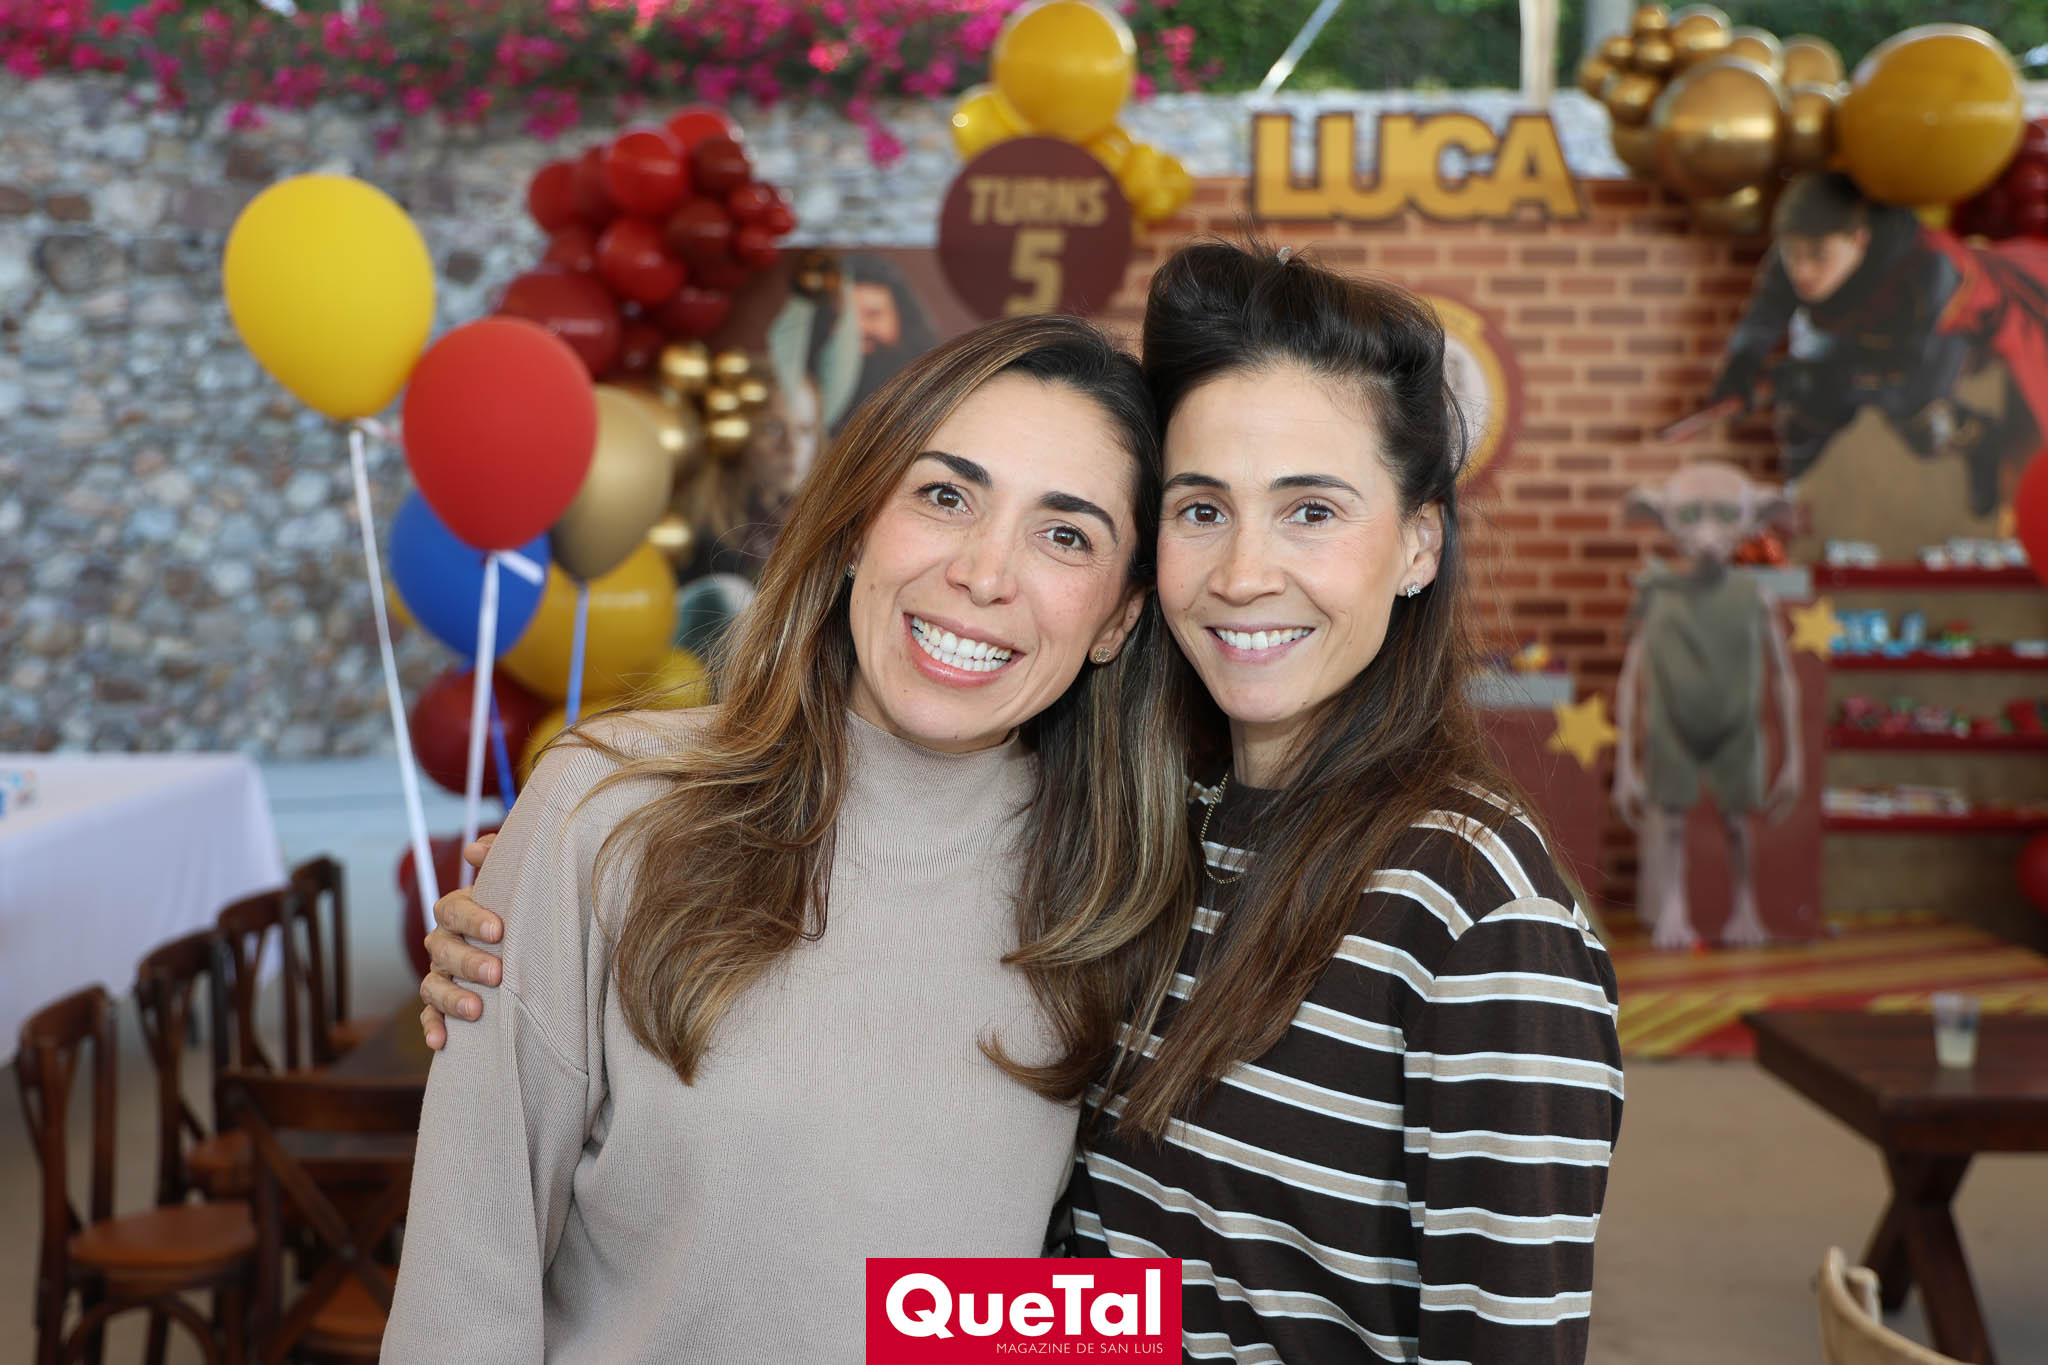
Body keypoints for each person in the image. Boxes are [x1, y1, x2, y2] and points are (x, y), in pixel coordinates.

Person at [419, 241, 1623, 1363]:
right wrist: (543, 930)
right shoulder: (1158, 852)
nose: (1245, 570)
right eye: (1202, 511)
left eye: (1310, 510)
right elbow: (1087, 1295)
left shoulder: (1465, 912)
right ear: (854, 522)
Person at [382, 312, 1195, 1363]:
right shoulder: (608, 811)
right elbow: (462, 1298)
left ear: (1118, 620)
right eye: (945, 496)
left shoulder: (1129, 891)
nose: (985, 572)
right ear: (857, 525)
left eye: (1065, 535)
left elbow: (1056, 1300)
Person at [1684, 171, 2048, 517]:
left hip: (1943, 330)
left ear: (1859, 239)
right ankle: (1786, 491)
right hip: (1859, 326)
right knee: (1807, 408)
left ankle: (1983, 440)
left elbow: (1907, 378)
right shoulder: (1793, 256)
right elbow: (1764, 318)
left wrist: (1837, 380)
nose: (1803, 271)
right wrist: (1740, 367)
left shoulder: (1930, 266)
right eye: (1793, 254)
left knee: (1925, 424)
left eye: (1818, 255)